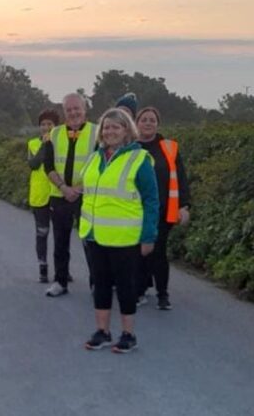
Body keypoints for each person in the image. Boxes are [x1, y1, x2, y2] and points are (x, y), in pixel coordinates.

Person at [78, 108, 159, 353]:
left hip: (125, 238)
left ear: (127, 130)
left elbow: (151, 200)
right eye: (106, 127)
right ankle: (102, 331)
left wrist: (149, 236)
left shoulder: (139, 159)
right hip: (94, 234)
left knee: (126, 287)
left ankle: (128, 334)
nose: (110, 131)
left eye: (116, 127)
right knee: (100, 285)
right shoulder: (94, 158)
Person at [135, 106, 191, 310]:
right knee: (139, 252)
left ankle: (162, 294)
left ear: (157, 124)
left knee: (158, 252)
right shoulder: (130, 147)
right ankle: (139, 290)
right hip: (135, 210)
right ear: (136, 123)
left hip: (162, 209)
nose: (148, 123)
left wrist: (184, 206)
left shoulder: (169, 147)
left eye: (152, 120)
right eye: (144, 119)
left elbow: (182, 178)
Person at [43, 92, 98, 297]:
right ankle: (60, 281)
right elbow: (48, 166)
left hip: (87, 195)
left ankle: (96, 282)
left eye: (77, 108)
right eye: (69, 109)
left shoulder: (97, 133)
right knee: (60, 241)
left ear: (85, 110)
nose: (73, 113)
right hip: (60, 195)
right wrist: (64, 188)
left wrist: (78, 189)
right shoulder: (54, 134)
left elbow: (101, 166)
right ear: (64, 112)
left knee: (91, 242)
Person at [28, 109, 60, 283]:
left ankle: (63, 269)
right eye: (43, 124)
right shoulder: (33, 143)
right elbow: (33, 164)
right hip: (39, 194)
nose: (46, 127)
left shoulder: (61, 143)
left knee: (60, 235)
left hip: (57, 193)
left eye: (50, 124)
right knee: (42, 232)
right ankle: (43, 268)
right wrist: (45, 144)